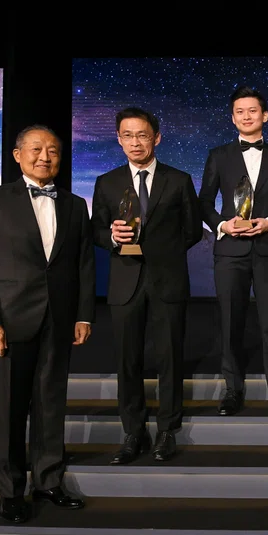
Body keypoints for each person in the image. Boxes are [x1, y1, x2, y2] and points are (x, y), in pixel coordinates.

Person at [0, 125, 94, 523]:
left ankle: (48, 480)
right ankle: (10, 491)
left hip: (59, 318)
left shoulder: (75, 205)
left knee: (51, 404)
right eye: (36, 149)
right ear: (17, 155)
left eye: (53, 150)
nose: (45, 157)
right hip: (8, 322)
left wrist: (83, 313)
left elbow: (83, 264)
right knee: (9, 408)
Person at [92, 107, 203, 465]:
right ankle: (133, 432)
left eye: (142, 135)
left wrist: (161, 253)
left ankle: (167, 430)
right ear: (119, 139)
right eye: (127, 135)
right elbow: (96, 230)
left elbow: (191, 230)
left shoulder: (179, 179)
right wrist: (111, 236)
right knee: (128, 361)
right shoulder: (106, 182)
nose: (135, 142)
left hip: (167, 280)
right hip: (125, 283)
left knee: (170, 358)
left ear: (156, 137)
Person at [199, 87, 268, 415]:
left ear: (265, 116)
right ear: (233, 118)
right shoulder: (218, 155)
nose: (247, 116)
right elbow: (203, 202)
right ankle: (232, 390)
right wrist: (222, 224)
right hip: (229, 252)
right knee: (231, 322)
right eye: (240, 111)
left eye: (253, 111)